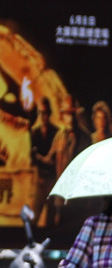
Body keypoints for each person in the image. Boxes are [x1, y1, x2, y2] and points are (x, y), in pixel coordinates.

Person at [47, 94, 91, 225]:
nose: (70, 119)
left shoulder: (85, 137)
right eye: (67, 114)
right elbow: (50, 158)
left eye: (72, 114)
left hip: (79, 197)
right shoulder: (59, 136)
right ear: (63, 116)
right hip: (61, 196)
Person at [29, 96, 58, 226]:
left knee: (51, 218)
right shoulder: (34, 132)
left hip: (52, 180)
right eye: (40, 112)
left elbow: (56, 157)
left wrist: (43, 158)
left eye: (45, 112)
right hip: (39, 180)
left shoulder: (56, 131)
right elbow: (32, 156)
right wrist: (43, 159)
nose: (42, 116)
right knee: (34, 216)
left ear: (49, 113)